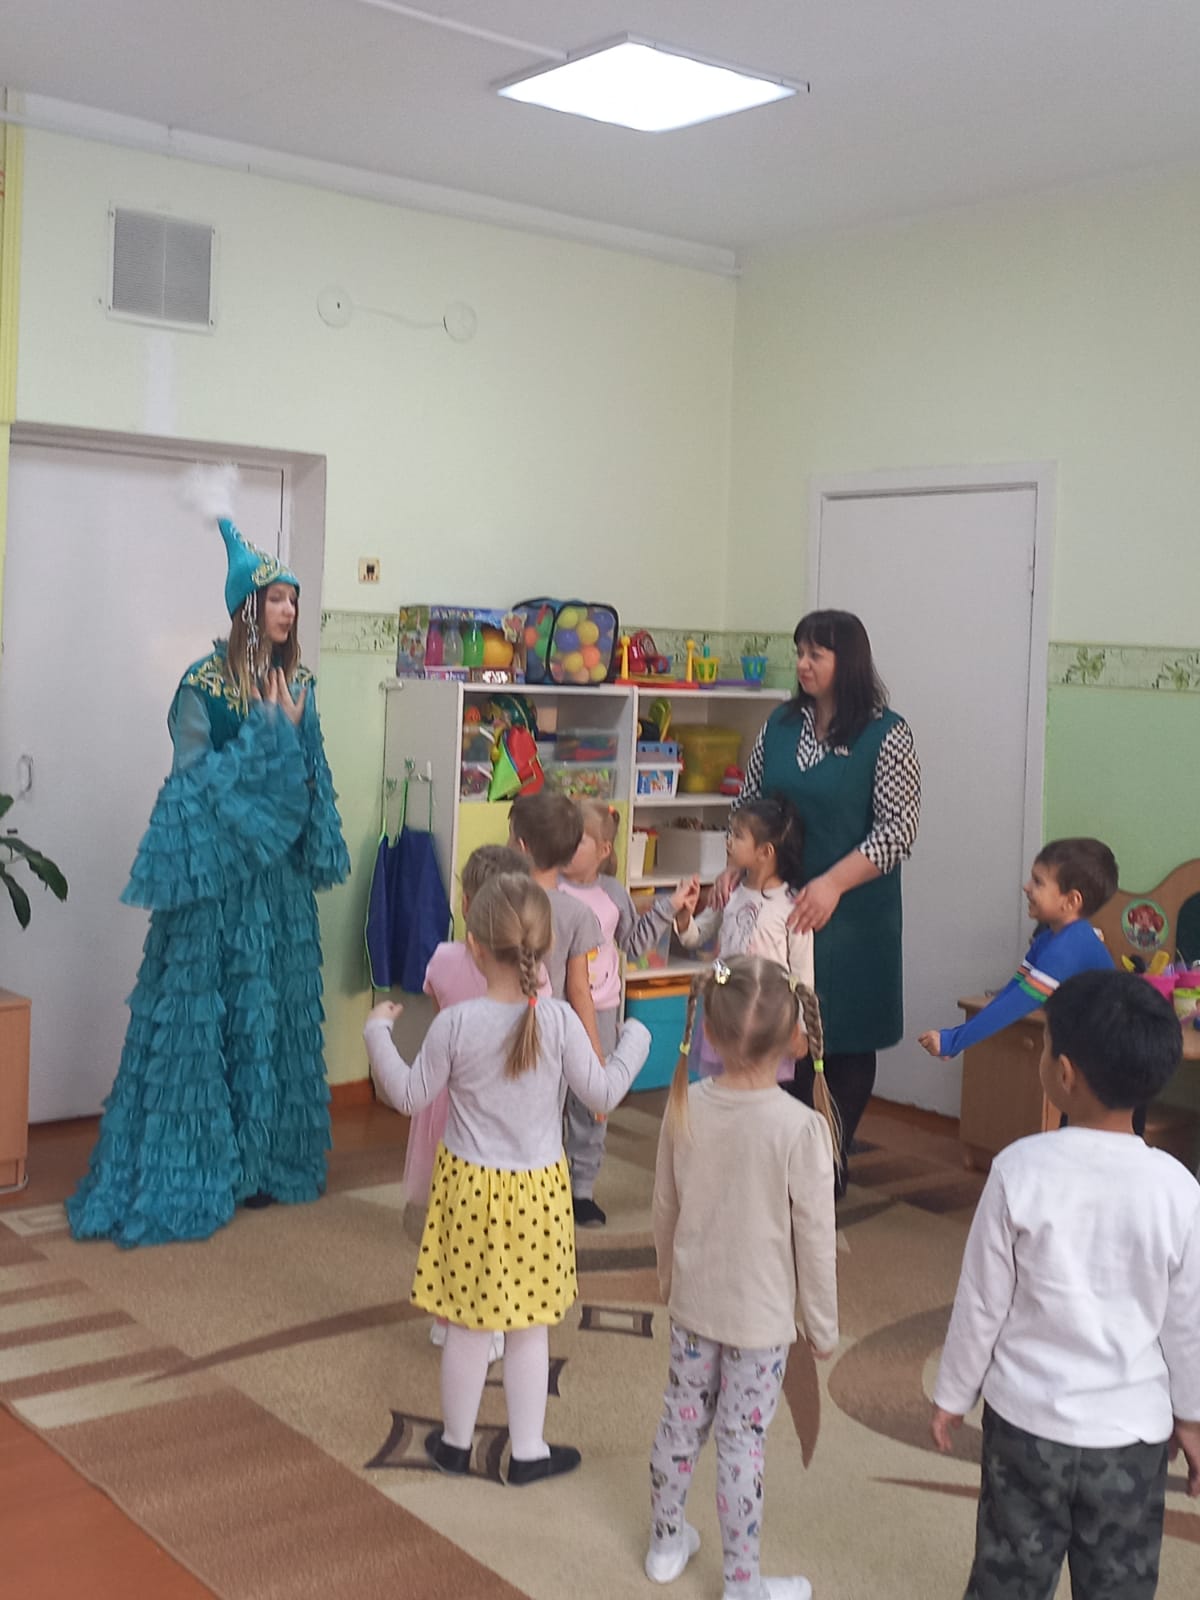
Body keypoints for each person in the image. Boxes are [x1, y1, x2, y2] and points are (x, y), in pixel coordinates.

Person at [68, 512, 350, 1247]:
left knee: (270, 1012)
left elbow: (311, 774)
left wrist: (294, 755)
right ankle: (206, 1167)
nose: (288, 610)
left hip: (277, 886)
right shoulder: (203, 684)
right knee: (212, 1015)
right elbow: (191, 782)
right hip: (219, 883)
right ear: (246, 609)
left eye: (294, 599)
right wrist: (268, 734)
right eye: (276, 598)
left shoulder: (300, 681)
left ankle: (264, 1163)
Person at [363, 872, 651, 1486]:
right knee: (528, 1328)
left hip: (468, 1193)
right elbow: (602, 1095)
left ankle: (454, 1445)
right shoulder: (560, 1021)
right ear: (546, 948)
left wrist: (376, 1032)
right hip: (538, 1197)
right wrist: (635, 1039)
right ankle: (527, 1452)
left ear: (474, 946)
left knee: (469, 1327)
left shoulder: (457, 1024)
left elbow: (407, 1095)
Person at [931, 970, 1200, 1600]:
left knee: (1008, 1577)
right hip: (1131, 1439)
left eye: (1047, 1045)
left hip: (1025, 1427)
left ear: (1065, 1074)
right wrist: (1192, 1418)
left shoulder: (1017, 1170)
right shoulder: (1178, 1190)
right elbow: (1188, 1323)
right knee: (1120, 1583)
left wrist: (952, 1393)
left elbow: (981, 1304)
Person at [647, 956, 839, 1600]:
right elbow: (816, 1240)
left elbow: (664, 1206)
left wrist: (667, 1279)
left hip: (694, 1305)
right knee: (740, 1442)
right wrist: (822, 1326)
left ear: (708, 1032)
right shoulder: (801, 1128)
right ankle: (741, 1583)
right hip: (761, 1322)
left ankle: (665, 1543)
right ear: (795, 1039)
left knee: (680, 1422)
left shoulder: (686, 1104)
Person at [734, 610, 920, 1194]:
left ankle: (831, 1160)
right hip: (783, 905)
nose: (803, 664)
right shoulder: (781, 724)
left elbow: (898, 829)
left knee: (845, 1035)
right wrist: (733, 869)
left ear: (849, 661)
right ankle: (789, 1157)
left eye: (816, 654)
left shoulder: (886, 733)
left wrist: (834, 883)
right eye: (800, 652)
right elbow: (750, 804)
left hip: (854, 914)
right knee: (785, 1031)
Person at [403, 843, 547, 1361]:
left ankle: (449, 1316)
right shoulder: (536, 975)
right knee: (497, 1222)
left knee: (450, 1216)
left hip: (446, 1101)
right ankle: (490, 1317)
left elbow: (439, 1009)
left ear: (466, 905)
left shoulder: (444, 960)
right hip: (500, 1113)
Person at [558, 798, 698, 1225]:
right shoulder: (549, 885)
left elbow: (635, 945)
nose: (567, 844)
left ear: (604, 849)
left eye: (579, 840)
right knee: (549, 1095)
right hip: (553, 1009)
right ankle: (547, 1180)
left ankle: (581, 1189)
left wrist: (669, 906)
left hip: (601, 1011)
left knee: (591, 1100)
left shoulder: (613, 892)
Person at [917, 836, 1118, 1060]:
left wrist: (952, 1041)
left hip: (1109, 1053)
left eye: (1038, 882)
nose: (1026, 887)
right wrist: (954, 1041)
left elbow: (1015, 1005)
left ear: (1071, 901)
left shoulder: (1068, 948)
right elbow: (1012, 991)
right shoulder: (1047, 939)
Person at [507, 792, 608, 1225]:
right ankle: (547, 1200)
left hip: (503, 1029)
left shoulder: (501, 899)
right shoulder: (577, 913)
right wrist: (595, 1057)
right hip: (556, 1040)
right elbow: (580, 992)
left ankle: (507, 1197)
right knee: (549, 1121)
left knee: (507, 1119)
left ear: (522, 846)